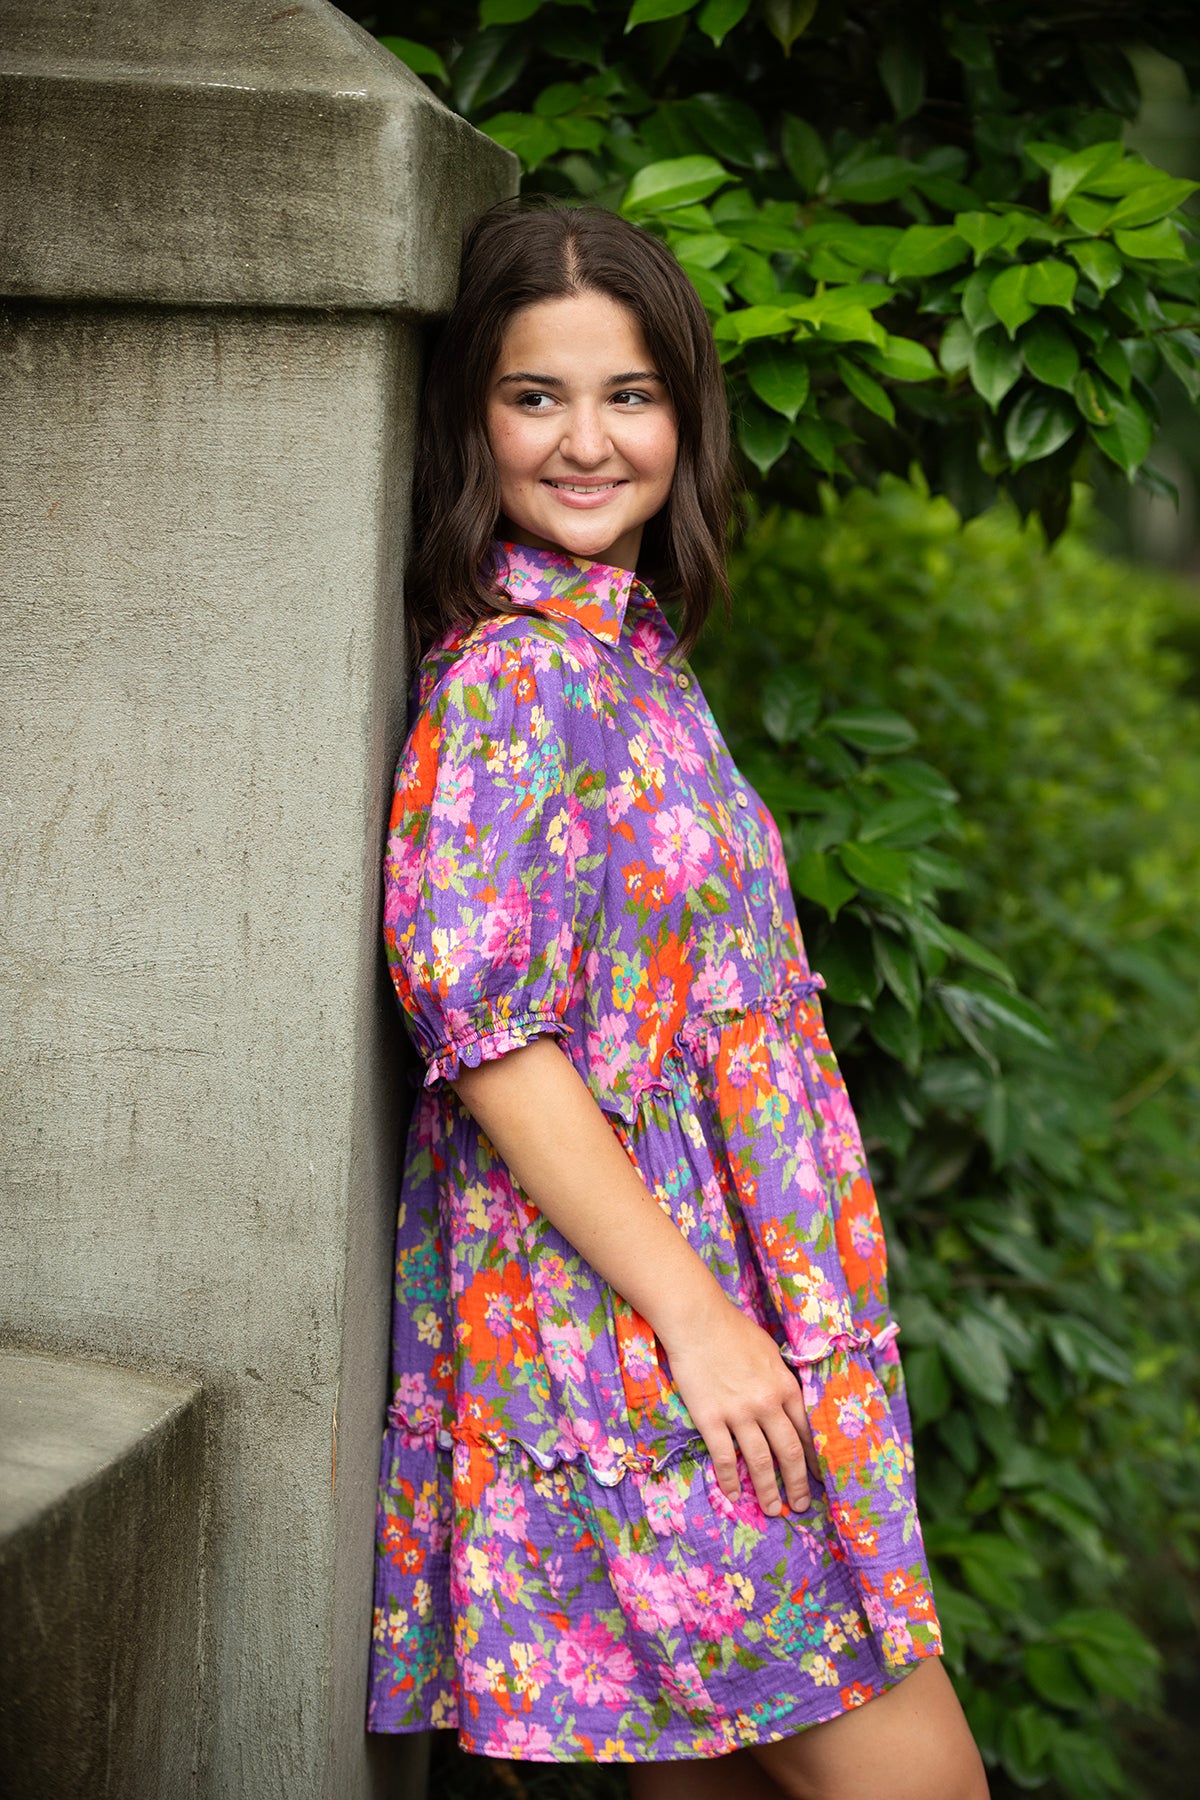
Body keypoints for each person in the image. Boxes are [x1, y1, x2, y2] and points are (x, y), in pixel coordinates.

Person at [367, 201, 988, 1800]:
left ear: (686, 418)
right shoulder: (516, 681)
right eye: (535, 396)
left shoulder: (632, 661)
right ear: (471, 422)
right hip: (652, 1347)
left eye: (629, 394)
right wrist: (706, 1328)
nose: (587, 440)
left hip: (721, 1331)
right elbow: (494, 1044)